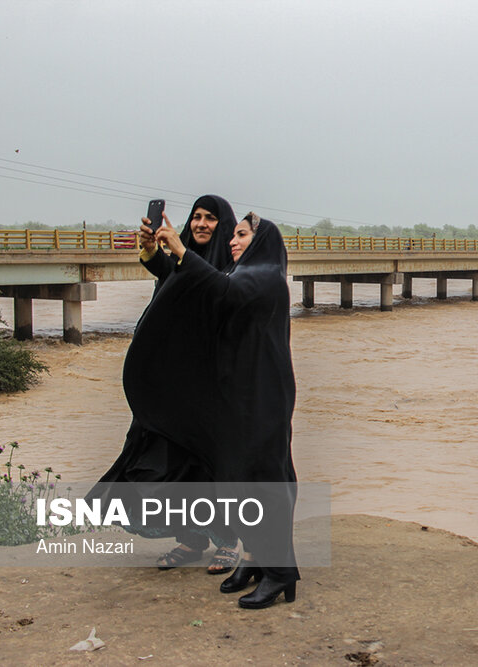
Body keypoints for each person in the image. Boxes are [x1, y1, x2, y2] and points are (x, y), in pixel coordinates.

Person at [130, 211, 300, 608]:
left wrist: (181, 249)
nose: (232, 241)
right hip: (243, 397)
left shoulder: (265, 278)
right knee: (241, 479)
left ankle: (279, 572)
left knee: (263, 481)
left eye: (242, 235)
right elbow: (201, 291)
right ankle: (257, 560)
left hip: (263, 397)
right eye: (234, 235)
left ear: (261, 241)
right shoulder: (246, 275)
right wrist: (158, 253)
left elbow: (221, 292)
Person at [97, 195, 240, 574]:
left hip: (209, 390)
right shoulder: (183, 259)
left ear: (223, 225)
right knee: (161, 464)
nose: (201, 224)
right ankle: (190, 539)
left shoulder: (234, 267)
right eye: (196, 217)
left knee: (207, 466)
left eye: (210, 219)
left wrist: (179, 253)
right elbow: (169, 273)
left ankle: (228, 543)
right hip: (170, 389)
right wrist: (149, 247)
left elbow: (220, 293)